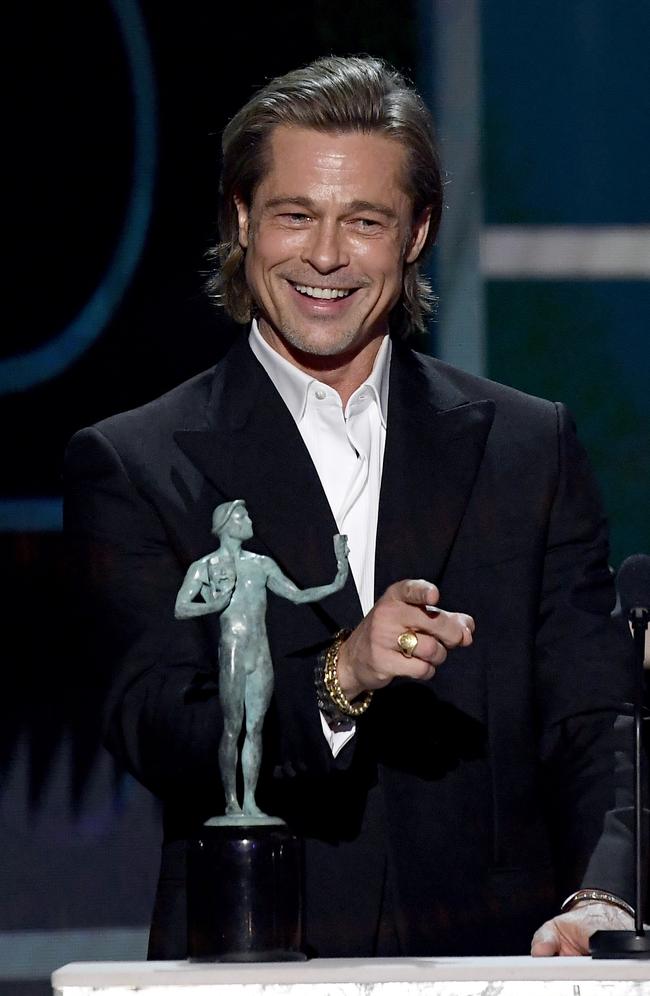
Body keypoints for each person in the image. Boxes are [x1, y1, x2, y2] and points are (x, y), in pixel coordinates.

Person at [64, 55, 637, 959]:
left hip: (500, 962)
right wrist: (342, 674)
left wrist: (604, 895)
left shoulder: (528, 447)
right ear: (243, 220)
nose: (325, 256)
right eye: (296, 215)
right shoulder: (135, 462)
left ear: (415, 235)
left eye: (364, 221)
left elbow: (595, 715)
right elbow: (157, 725)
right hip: (256, 953)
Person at [174, 499, 349, 819]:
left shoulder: (262, 565)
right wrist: (212, 606)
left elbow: (296, 595)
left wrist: (337, 580)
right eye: (243, 516)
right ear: (227, 524)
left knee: (255, 728)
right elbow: (181, 607)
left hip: (260, 651)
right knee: (233, 727)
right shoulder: (205, 566)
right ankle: (231, 801)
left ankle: (250, 800)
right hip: (233, 650)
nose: (250, 520)